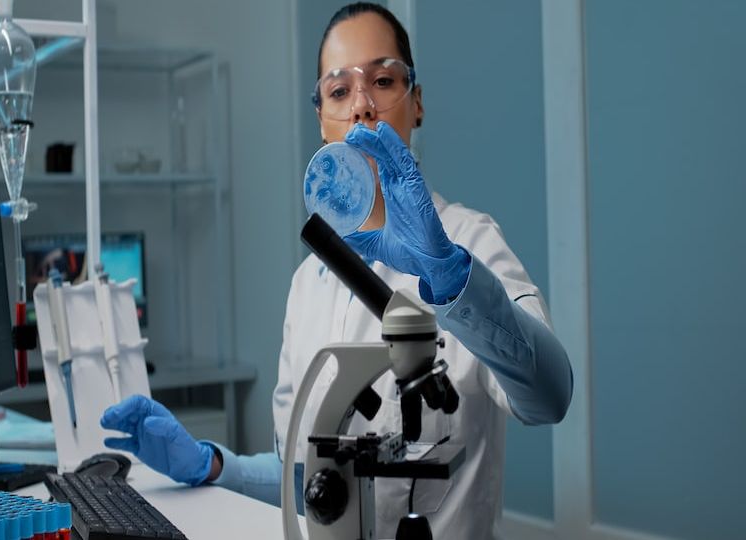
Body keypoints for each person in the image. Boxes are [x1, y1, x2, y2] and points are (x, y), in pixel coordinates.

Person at [100, 3, 573, 538]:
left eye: (384, 80)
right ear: (323, 119)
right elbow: (307, 479)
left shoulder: (470, 240)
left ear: (416, 103)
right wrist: (213, 465)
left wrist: (448, 275)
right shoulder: (308, 284)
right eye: (339, 91)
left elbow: (550, 396)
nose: (363, 107)